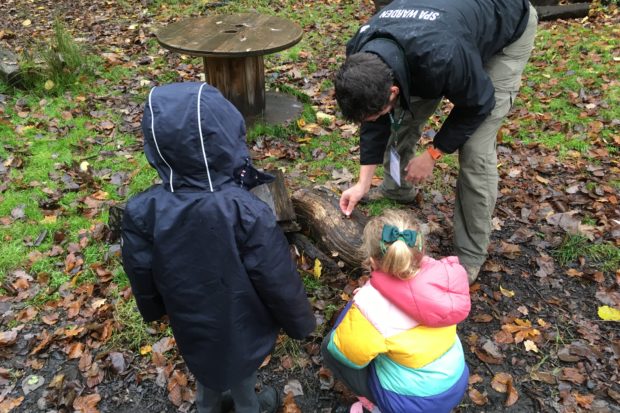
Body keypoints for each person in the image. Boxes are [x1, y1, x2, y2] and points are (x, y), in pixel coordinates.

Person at [121, 82, 316, 413]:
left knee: (205, 367)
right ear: (224, 138)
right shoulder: (244, 210)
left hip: (189, 317)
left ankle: (207, 406)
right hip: (241, 319)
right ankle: (247, 405)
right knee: (240, 371)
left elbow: (139, 268)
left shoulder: (143, 210)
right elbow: (275, 274)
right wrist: (300, 322)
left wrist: (153, 309)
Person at [336, 0, 538, 283]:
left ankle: (468, 259)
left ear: (393, 90)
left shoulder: (442, 55)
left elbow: (479, 104)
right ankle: (397, 189)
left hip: (505, 23)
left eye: (382, 106)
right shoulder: (361, 52)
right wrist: (363, 182)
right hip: (441, 38)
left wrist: (433, 153)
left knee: (475, 152)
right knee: (399, 123)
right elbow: (375, 121)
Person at [321, 209, 471, 413]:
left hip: (414, 403)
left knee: (329, 346)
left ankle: (376, 407)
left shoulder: (371, 304)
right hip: (454, 381)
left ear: (372, 261)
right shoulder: (443, 275)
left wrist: (359, 306)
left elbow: (345, 354)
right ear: (420, 252)